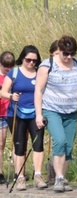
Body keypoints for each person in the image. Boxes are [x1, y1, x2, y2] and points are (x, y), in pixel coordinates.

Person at [34, 36, 77, 193]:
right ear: (58, 51)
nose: (69, 57)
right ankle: (58, 178)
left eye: (72, 53)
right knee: (59, 140)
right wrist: (39, 115)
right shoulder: (47, 66)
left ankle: (62, 177)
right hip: (52, 109)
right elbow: (38, 90)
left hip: (71, 110)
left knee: (69, 146)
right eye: (66, 53)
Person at [0, 46, 45, 190]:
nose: (31, 63)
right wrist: (12, 96)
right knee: (20, 146)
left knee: (38, 144)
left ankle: (38, 176)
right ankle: (20, 177)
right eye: (28, 60)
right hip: (16, 113)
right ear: (22, 58)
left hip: (35, 113)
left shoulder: (39, 73)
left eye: (34, 60)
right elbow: (3, 92)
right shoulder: (14, 73)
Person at [0, 51, 15, 185]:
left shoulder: (14, 76)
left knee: (17, 142)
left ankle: (18, 172)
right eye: (6, 67)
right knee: (1, 143)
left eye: (11, 67)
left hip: (12, 112)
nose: (8, 69)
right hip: (1, 113)